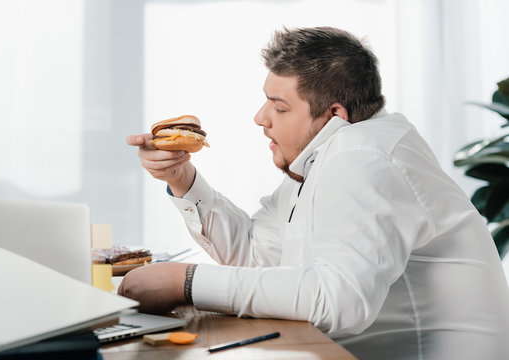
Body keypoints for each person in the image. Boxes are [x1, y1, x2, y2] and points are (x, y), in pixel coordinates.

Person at [120, 27, 509, 359]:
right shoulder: (329, 151)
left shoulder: (362, 157)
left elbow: (339, 302)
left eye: (280, 107)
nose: (260, 118)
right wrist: (182, 178)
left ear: (334, 114)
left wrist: (183, 282)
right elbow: (257, 256)